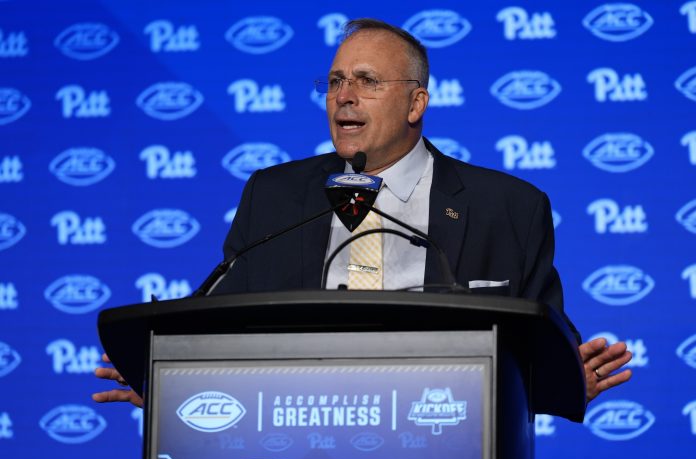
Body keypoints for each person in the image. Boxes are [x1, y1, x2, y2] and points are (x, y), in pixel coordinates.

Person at [94, 18, 632, 408]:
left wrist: (561, 380)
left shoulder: (508, 206)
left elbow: (540, 349)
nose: (343, 97)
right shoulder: (275, 195)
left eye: (367, 82)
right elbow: (224, 320)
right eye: (334, 82)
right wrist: (175, 378)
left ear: (416, 103)